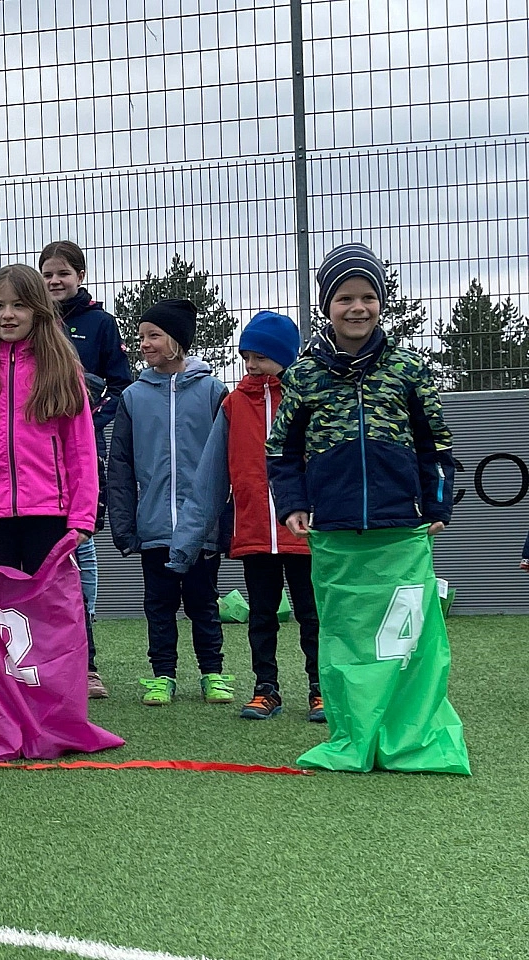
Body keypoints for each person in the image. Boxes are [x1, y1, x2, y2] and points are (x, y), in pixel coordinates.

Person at [268, 243, 469, 774]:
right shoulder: (304, 375)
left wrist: (437, 501)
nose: (357, 308)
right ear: (326, 307)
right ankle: (354, 735)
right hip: (335, 530)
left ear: (381, 302)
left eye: (368, 297)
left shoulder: (409, 369)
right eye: (344, 298)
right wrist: (293, 504)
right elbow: (281, 451)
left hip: (400, 528)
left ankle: (411, 737)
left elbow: (436, 443)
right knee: (345, 637)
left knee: (408, 640)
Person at [0, 264, 98, 706]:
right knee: (0, 616)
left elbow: (81, 449)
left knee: (52, 612)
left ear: (38, 310)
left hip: (50, 514)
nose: (7, 315)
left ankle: (56, 701)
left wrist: (82, 516)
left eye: (18, 305)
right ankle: (6, 704)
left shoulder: (61, 370)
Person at [167, 311, 322, 721]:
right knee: (261, 616)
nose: (251, 365)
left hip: (306, 533)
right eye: (246, 357)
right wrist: (186, 545)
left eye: (260, 357)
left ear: (285, 357)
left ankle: (321, 689)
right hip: (253, 532)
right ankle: (265, 689)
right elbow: (210, 478)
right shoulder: (233, 404)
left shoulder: (308, 399)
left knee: (313, 616)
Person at [107, 298, 233, 707]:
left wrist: (224, 524)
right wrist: (125, 526)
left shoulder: (214, 392)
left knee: (203, 603)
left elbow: (230, 462)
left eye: (154, 336)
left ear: (177, 340)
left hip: (202, 530)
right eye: (141, 336)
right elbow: (120, 466)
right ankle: (163, 675)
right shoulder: (133, 397)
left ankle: (212, 673)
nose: (144, 343)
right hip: (154, 527)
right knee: (159, 606)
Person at [39, 240, 131, 699]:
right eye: (47, 274)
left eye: (63, 273)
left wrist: (89, 419)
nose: (55, 281)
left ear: (81, 276)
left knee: (82, 548)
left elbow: (121, 384)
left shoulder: (101, 324)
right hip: (35, 453)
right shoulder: (32, 320)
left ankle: (84, 659)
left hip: (83, 450)